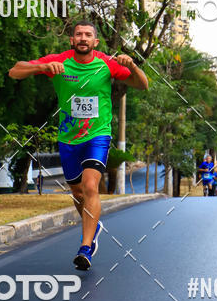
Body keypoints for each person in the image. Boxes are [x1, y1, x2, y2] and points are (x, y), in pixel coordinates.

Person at [9, 20, 148, 270]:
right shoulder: (59, 60)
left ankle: (86, 248)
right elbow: (15, 71)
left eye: (88, 35)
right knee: (78, 193)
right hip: (69, 138)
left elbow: (142, 84)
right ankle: (93, 228)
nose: (83, 38)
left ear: (96, 42)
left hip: (98, 134)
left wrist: (133, 66)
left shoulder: (107, 63)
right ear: (72, 41)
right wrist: (41, 66)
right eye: (78, 35)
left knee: (90, 186)